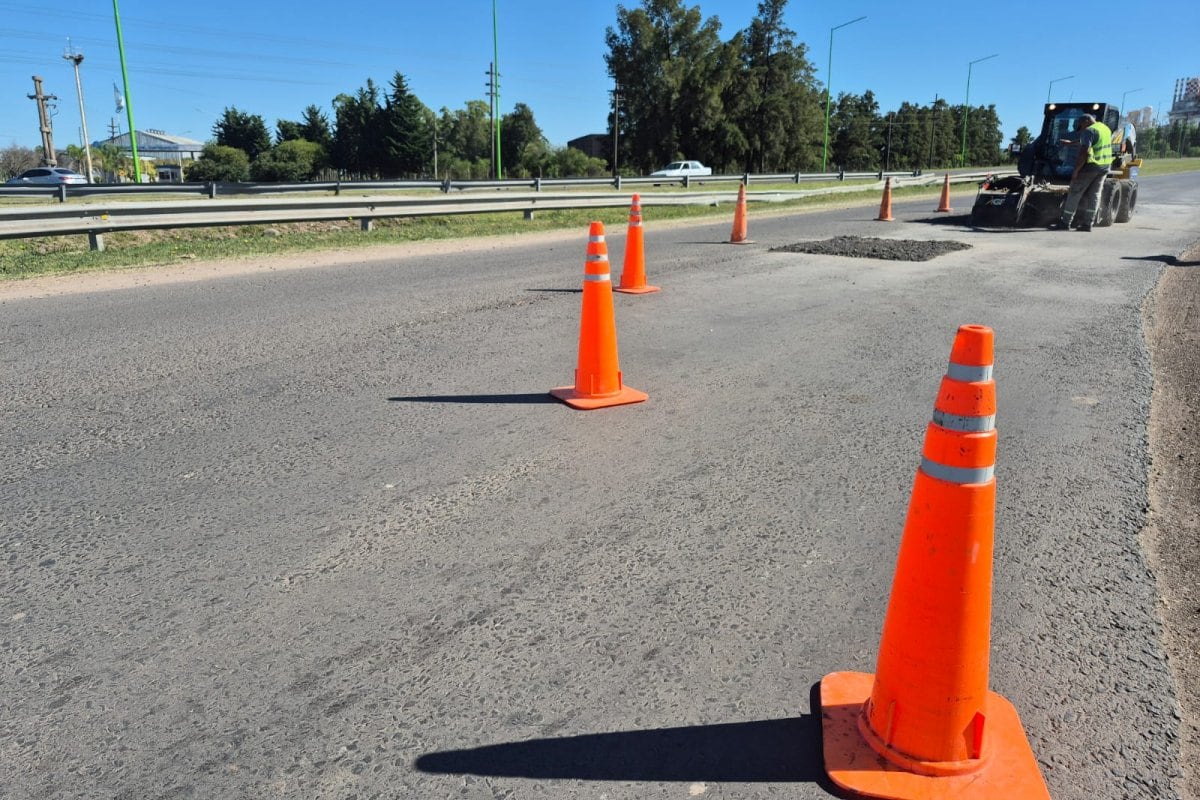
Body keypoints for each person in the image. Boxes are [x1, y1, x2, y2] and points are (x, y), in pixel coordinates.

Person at [1049, 113, 1112, 232]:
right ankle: (1087, 224)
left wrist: (1076, 170)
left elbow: (1084, 152)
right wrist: (1071, 143)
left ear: (1086, 121)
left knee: (1074, 193)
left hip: (1091, 167)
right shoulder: (1105, 128)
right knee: (1095, 195)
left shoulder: (1089, 130)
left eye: (1081, 125)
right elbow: (1090, 140)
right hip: (1104, 167)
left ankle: (1065, 223)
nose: (1081, 129)